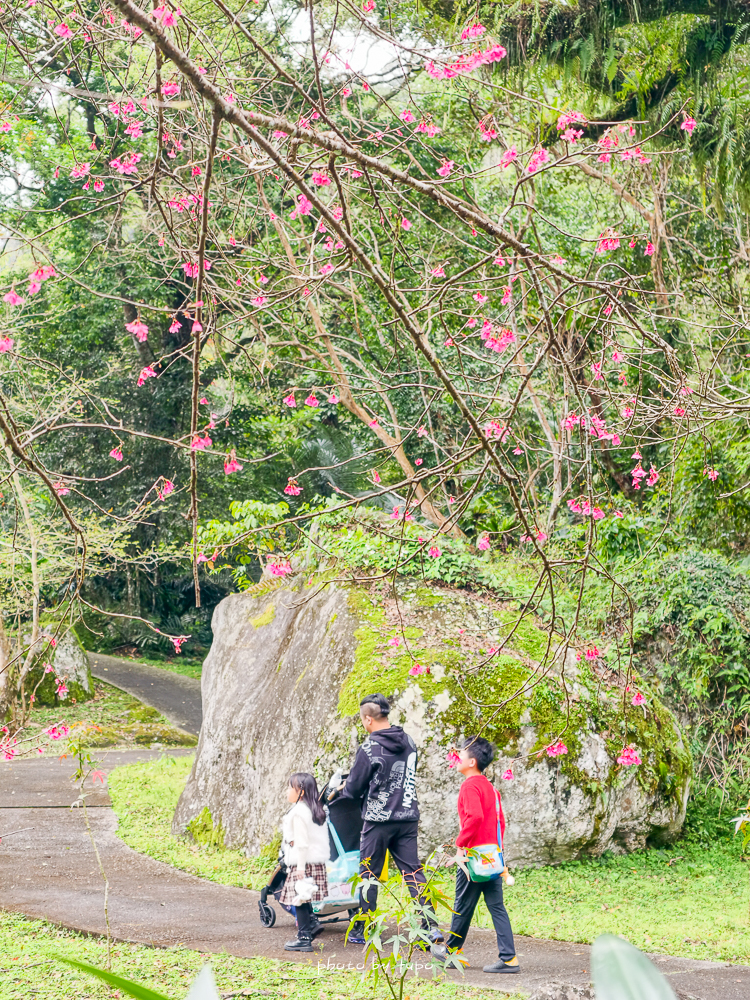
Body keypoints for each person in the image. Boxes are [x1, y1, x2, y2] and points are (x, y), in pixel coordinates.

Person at [339, 692, 444, 951]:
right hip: (407, 817)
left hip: (378, 821)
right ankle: (430, 927)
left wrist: (343, 788)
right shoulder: (409, 741)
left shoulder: (369, 748)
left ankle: (365, 927)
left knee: (368, 875)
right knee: (413, 872)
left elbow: (353, 790)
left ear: (368, 719)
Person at [447, 735, 519, 973]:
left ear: (472, 762)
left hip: (473, 857)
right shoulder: (491, 788)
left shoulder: (469, 786)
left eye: (461, 753)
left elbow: (475, 817)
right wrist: (497, 853)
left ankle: (451, 952)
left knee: (462, 904)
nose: (457, 756)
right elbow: (501, 823)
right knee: (496, 906)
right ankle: (509, 959)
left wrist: (460, 844)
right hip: (492, 857)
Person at [279, 772, 330, 952]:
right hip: (316, 861)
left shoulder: (299, 812)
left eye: (290, 787)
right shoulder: (315, 809)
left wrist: (300, 868)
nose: (287, 791)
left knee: (298, 899)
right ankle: (311, 925)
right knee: (304, 897)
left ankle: (304, 938)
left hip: (303, 861)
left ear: (300, 791)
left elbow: (302, 843)